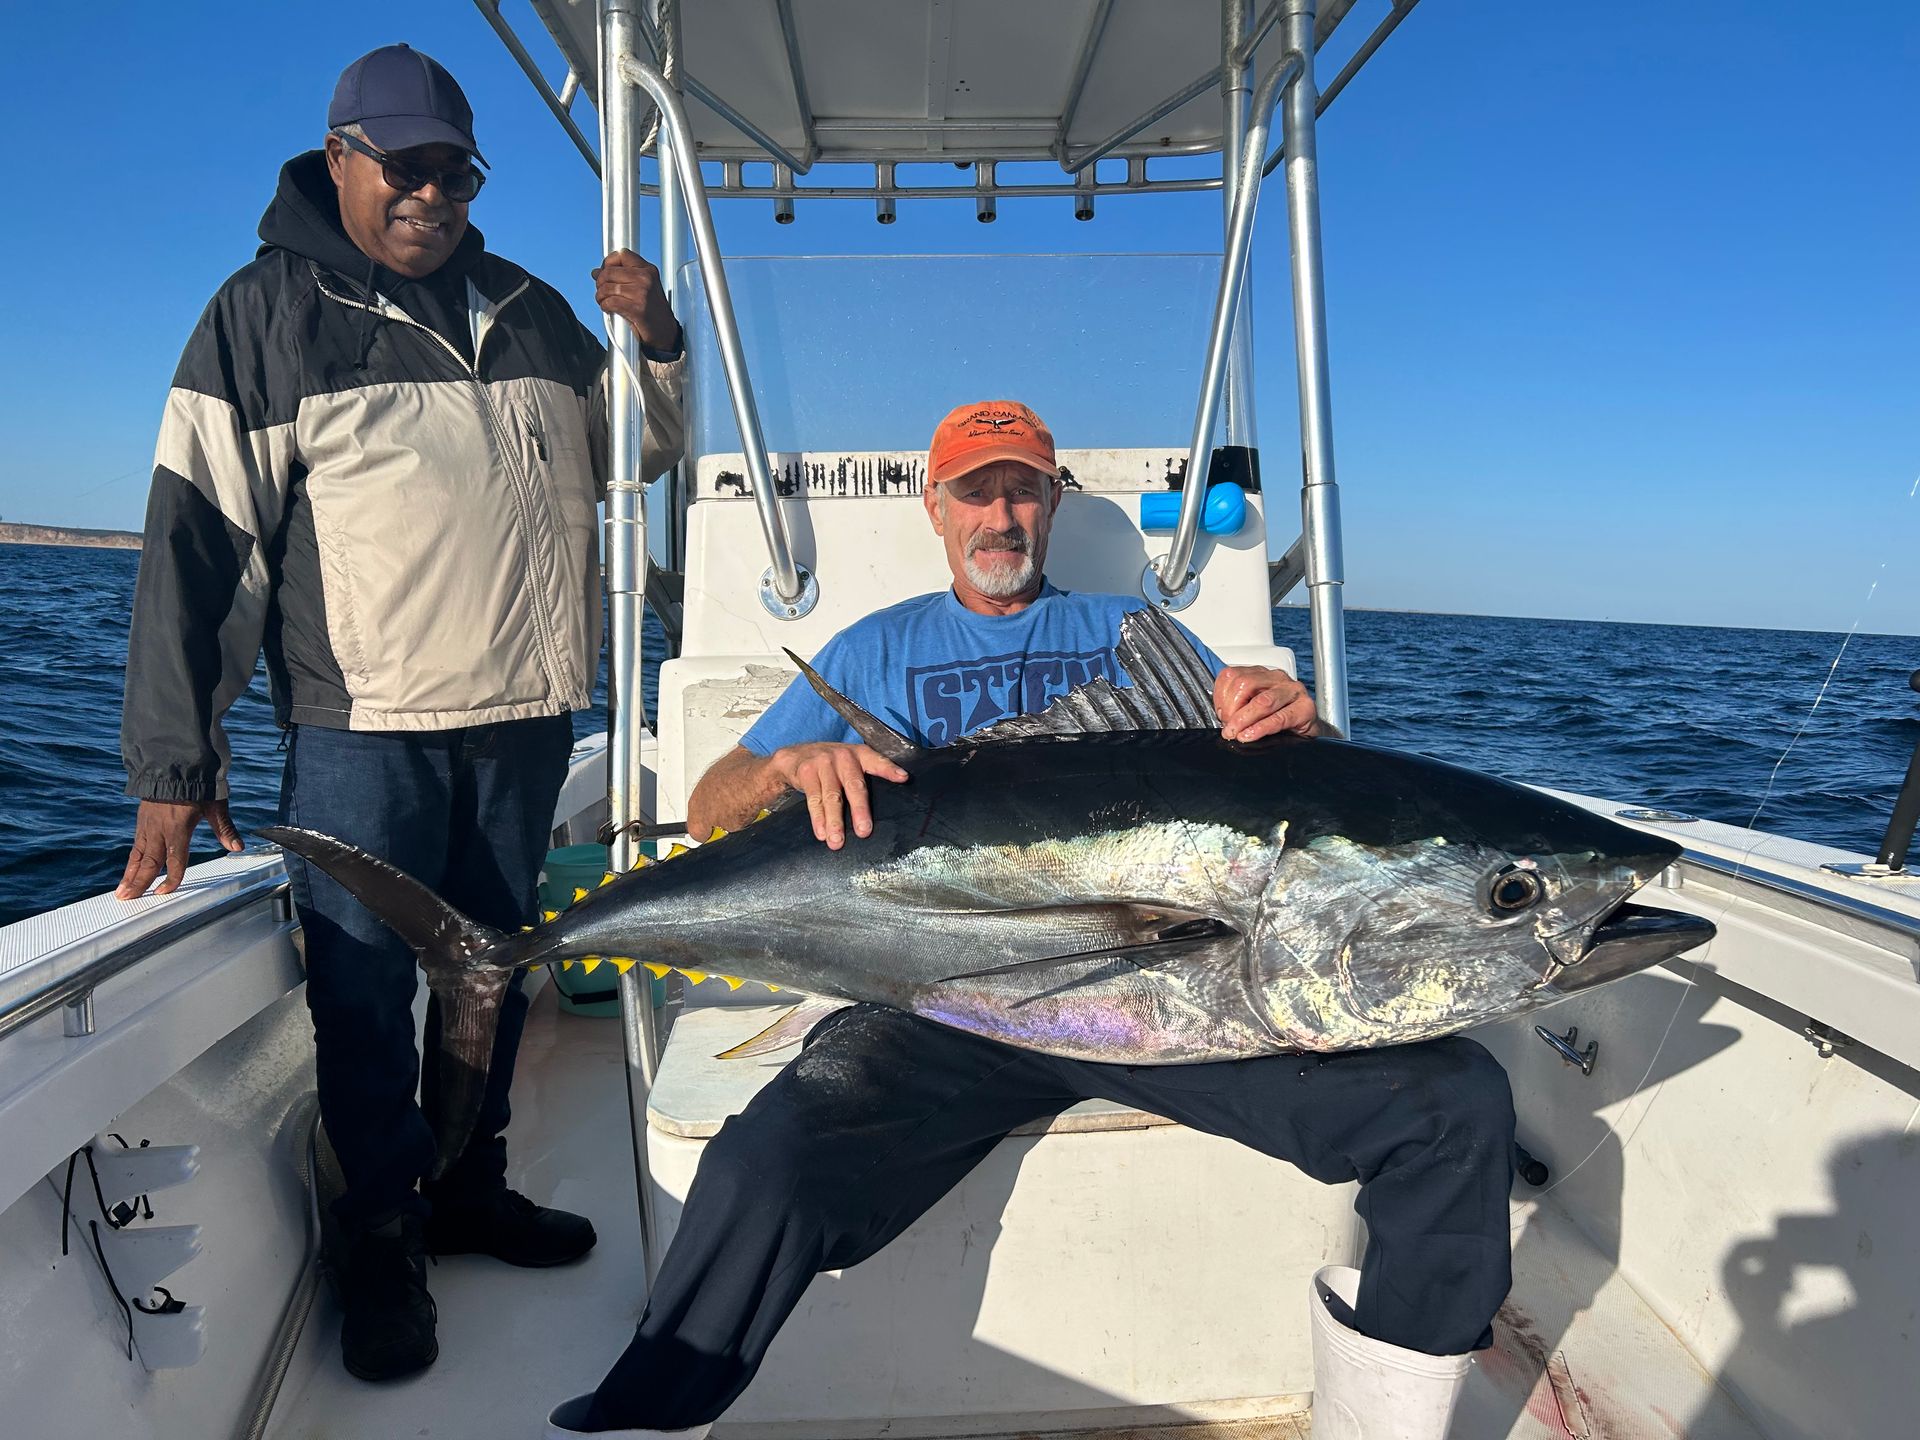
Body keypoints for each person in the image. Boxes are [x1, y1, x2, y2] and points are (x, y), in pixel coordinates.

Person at [547, 401, 1515, 1439]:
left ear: (1051, 504)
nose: (1000, 515)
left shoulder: (1133, 636)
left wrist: (1299, 722)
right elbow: (707, 809)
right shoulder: (875, 649)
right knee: (756, 1173)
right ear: (936, 509)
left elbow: (1286, 808)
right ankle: (644, 1417)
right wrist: (787, 767)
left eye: (1022, 489)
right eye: (976, 491)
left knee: (1454, 1103)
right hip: (936, 1006)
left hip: (1178, 1008)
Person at [115, 44, 687, 1383]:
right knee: (366, 992)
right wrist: (172, 759)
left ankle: (467, 1187)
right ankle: (382, 1228)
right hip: (363, 728)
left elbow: (640, 455)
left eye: (452, 168)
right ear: (339, 161)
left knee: (494, 971)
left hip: (530, 715)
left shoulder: (542, 311)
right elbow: (200, 542)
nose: (428, 190)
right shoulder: (264, 316)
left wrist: (653, 343)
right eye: (402, 164)